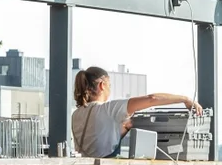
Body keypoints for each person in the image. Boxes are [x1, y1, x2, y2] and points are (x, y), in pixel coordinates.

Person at [70, 66, 202, 159]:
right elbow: (152, 99)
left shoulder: (76, 115)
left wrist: (122, 130)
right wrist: (185, 99)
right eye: (109, 85)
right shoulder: (108, 109)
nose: (110, 89)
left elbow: (97, 143)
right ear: (102, 86)